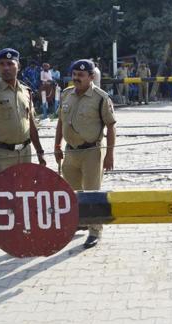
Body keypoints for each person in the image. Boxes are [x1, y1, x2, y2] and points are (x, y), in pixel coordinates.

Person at [0, 48, 47, 270]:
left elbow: (31, 124)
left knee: (24, 198)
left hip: (24, 152)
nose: (7, 68)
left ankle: (21, 240)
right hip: (1, 155)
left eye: (11, 64)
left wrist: (40, 151)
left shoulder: (26, 91)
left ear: (18, 66)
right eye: (2, 64)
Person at [54, 59, 117, 249]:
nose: (76, 78)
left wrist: (109, 155)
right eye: (74, 74)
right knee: (73, 193)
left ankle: (95, 230)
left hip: (92, 152)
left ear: (91, 77)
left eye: (81, 75)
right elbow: (60, 122)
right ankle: (79, 222)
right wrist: (57, 145)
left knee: (92, 193)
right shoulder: (66, 94)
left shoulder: (100, 97)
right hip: (70, 153)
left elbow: (111, 126)